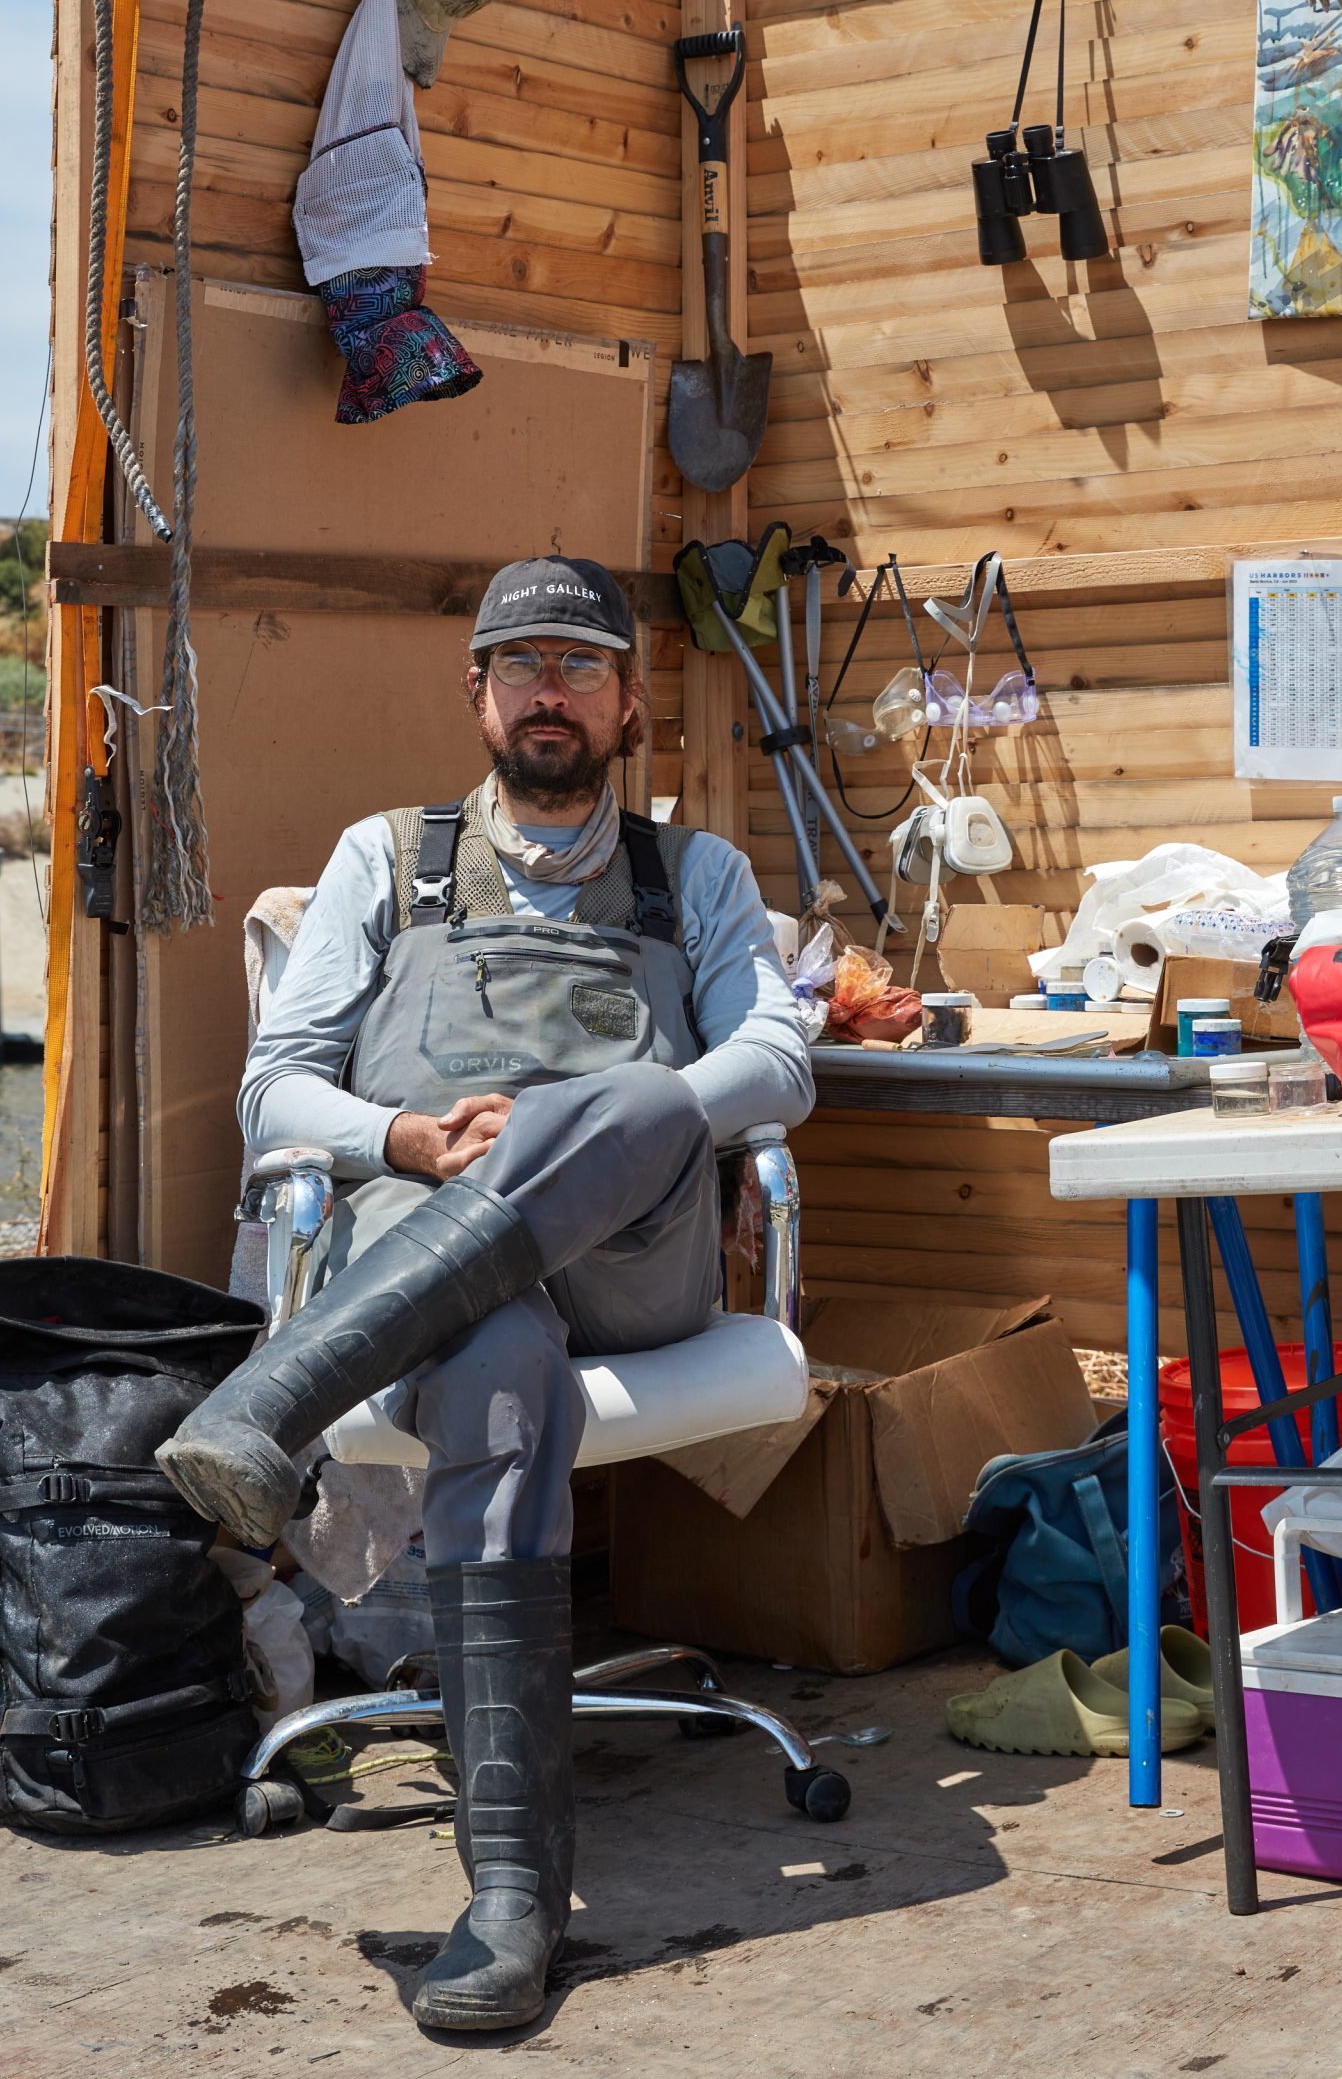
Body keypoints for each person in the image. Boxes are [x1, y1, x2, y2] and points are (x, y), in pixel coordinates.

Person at [157, 553, 813, 2033]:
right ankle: (513, 1897)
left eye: (580, 666)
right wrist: (403, 1137)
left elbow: (777, 1063)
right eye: (520, 665)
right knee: (493, 1361)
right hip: (429, 1238)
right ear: (477, 695)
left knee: (641, 1099)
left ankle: (279, 1398)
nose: (549, 691)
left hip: (633, 1256)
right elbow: (277, 1090)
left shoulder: (691, 873)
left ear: (631, 701)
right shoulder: (382, 858)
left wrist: (592, 1121)